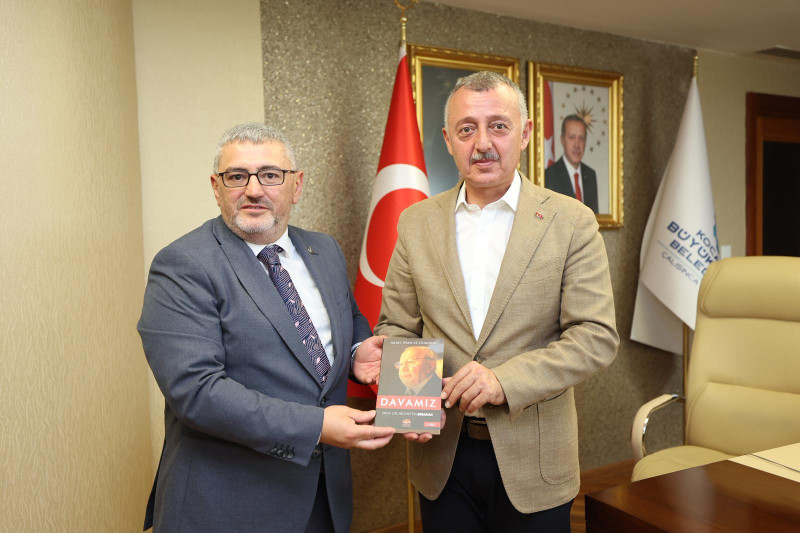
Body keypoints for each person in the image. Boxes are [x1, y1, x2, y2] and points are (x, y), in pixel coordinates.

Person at [376, 72, 618, 532]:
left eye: (498, 126)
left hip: (536, 459)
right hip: (440, 460)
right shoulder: (415, 223)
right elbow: (397, 327)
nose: (482, 143)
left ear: (525, 133)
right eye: (467, 129)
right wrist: (409, 401)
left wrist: (504, 381)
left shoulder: (572, 222)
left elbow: (595, 337)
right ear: (448, 140)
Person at [138, 123, 395, 533]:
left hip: (325, 497)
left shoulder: (323, 249)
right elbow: (197, 392)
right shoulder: (184, 264)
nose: (254, 190)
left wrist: (354, 353)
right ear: (216, 187)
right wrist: (316, 426)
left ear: (297, 185)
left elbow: (347, 321)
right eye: (237, 176)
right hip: (228, 505)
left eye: (270, 175)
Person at [544, 114, 600, 213]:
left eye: (581, 138)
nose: (577, 145)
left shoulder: (590, 175)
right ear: (562, 140)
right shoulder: (549, 176)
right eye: (571, 137)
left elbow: (594, 217)